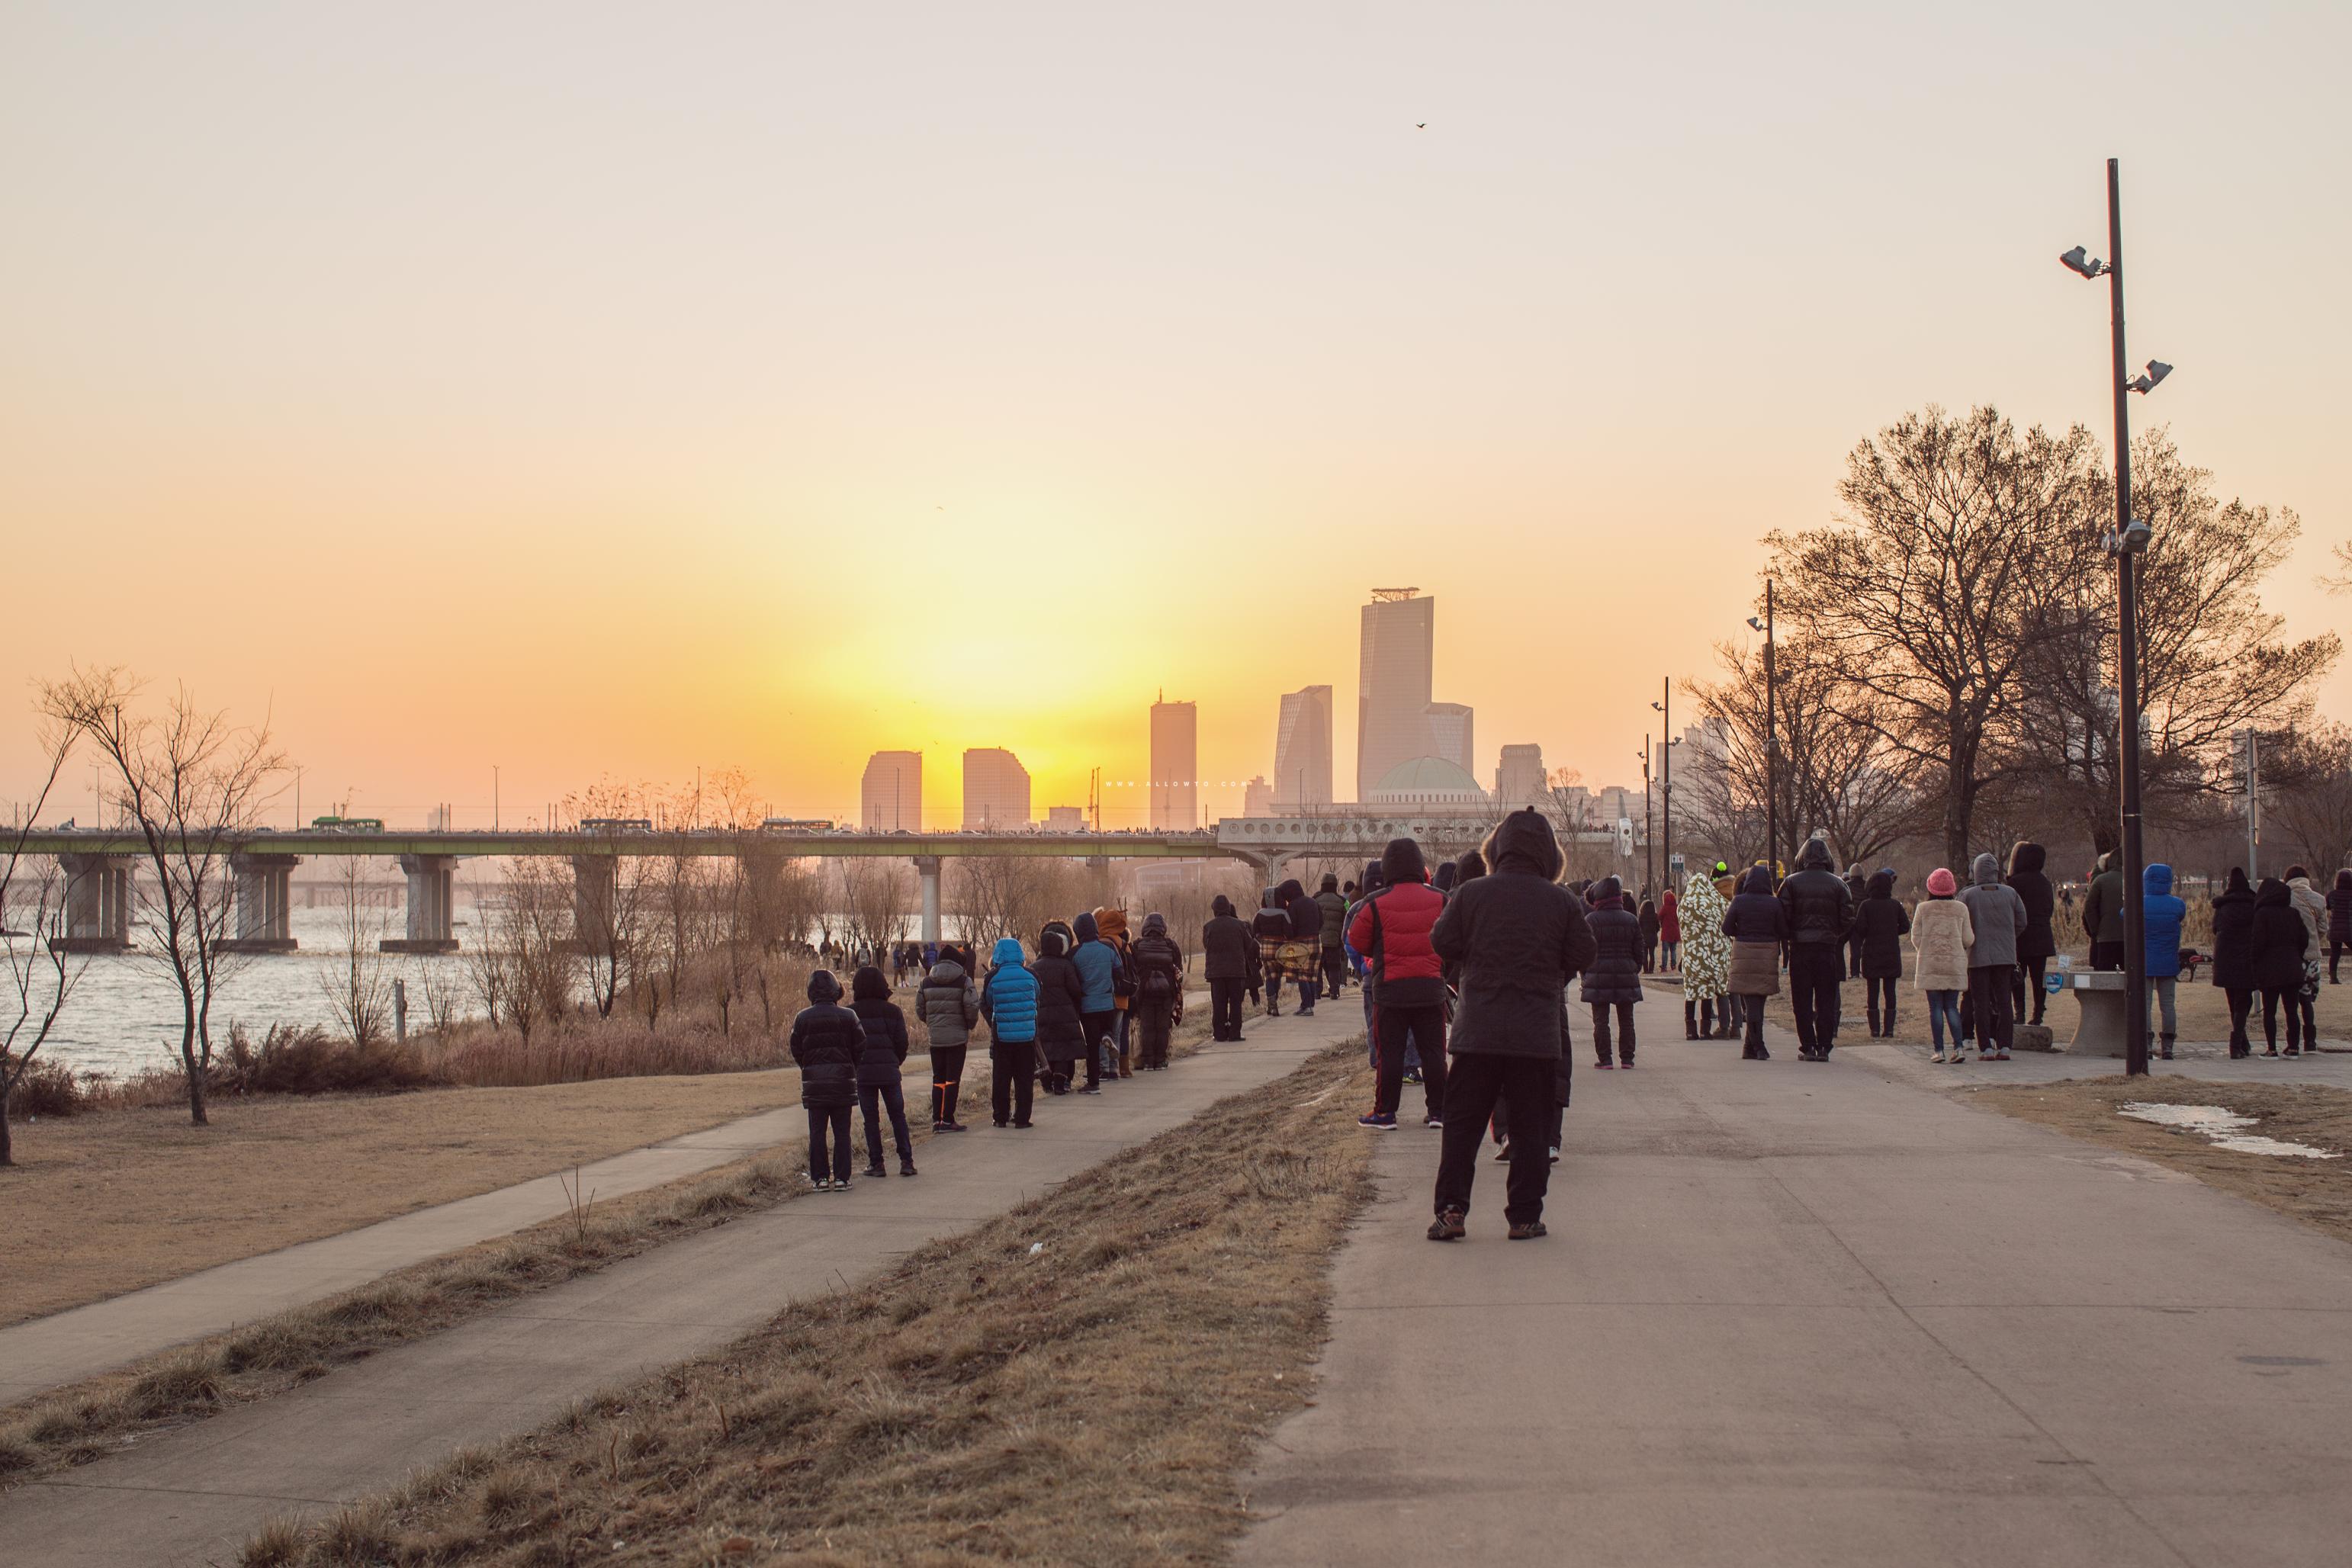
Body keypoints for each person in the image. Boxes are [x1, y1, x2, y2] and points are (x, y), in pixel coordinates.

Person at [1425, 808, 1595, 1242]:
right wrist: (1554, 969)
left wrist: (1472, 959)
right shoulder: (1562, 901)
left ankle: (1451, 1211)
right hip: (1536, 1032)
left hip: (1477, 1029)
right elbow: (1584, 952)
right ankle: (1523, 1216)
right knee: (1532, 1129)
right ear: (1549, 855)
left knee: (1462, 1128)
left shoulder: (1470, 895)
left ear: (1496, 849)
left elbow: (1442, 941)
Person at [1349, 837, 1450, 1129]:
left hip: (1390, 990)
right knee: (1434, 1053)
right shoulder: (1442, 899)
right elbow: (1455, 938)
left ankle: (1385, 1112)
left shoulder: (1374, 903)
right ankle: (1439, 1112)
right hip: (1431, 989)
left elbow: (1357, 941)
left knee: (1389, 1054)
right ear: (1420, 866)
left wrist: (1382, 949)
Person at [1778, 837, 1856, 1062]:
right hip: (1827, 949)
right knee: (1826, 999)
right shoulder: (1839, 885)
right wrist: (1834, 936)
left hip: (1800, 949)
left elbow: (1784, 917)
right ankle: (1824, 1045)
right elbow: (1848, 918)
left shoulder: (1791, 883)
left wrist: (1792, 935)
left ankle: (1808, 1045)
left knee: (1801, 1000)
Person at [789, 970, 863, 1190]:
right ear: (836, 991)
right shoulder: (848, 1016)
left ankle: (820, 1178)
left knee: (817, 1133)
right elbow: (860, 1045)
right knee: (842, 1132)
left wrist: (808, 1066)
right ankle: (842, 1177)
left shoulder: (802, 1018)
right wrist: (850, 1066)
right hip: (842, 1082)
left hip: (815, 1085)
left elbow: (796, 1049)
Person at [849, 966, 916, 1178]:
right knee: (898, 1116)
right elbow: (902, 1043)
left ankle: (876, 1163)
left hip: (864, 1074)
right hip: (889, 1071)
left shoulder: (851, 1012)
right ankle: (906, 1161)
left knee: (871, 1119)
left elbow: (849, 1046)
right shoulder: (893, 1011)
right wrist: (895, 1061)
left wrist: (856, 1066)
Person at [1958, 853, 2027, 1061]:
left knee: (1980, 1002)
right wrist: (2008, 937)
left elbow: (1961, 926)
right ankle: (2005, 1045)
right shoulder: (2010, 893)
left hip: (1978, 956)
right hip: (2005, 955)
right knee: (2005, 1001)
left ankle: (1985, 1046)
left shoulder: (1968, 896)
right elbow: (2022, 921)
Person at [1722, 865, 1786, 1060]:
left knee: (1751, 1003)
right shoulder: (1774, 903)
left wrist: (1741, 933)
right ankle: (1757, 1046)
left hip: (1744, 954)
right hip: (1767, 955)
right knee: (1758, 1003)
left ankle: (1753, 1047)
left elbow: (1726, 928)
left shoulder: (1739, 901)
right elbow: (1783, 930)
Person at [1910, 869, 1974, 1062]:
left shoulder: (1923, 909)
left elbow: (1916, 938)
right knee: (1952, 1007)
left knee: (1935, 1008)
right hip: (1954, 964)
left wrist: (1927, 948)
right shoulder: (1961, 909)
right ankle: (1959, 1048)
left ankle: (1939, 1051)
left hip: (1930, 965)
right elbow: (1968, 939)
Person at [1579, 876, 1642, 1067]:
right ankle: (1627, 1058)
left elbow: (1584, 950)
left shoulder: (1591, 920)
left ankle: (1605, 1059)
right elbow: (1639, 950)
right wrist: (1633, 969)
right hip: (1625, 973)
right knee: (1626, 1019)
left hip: (1598, 975)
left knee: (1600, 1021)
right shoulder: (1631, 920)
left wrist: (1585, 974)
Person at [978, 936, 1041, 1128]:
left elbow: (986, 1002)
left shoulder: (992, 977)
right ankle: (1022, 1118)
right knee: (1024, 1078)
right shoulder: (1031, 975)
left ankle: (1000, 1117)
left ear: (997, 955)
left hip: (1002, 1036)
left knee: (1001, 1078)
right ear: (1020, 954)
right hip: (1027, 1036)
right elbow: (1038, 996)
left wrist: (995, 1021)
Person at [916, 947, 979, 1132]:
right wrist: (969, 1025)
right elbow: (972, 1006)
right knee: (953, 1079)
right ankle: (948, 1119)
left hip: (935, 1037)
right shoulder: (964, 981)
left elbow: (920, 1009)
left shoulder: (926, 981)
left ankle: (937, 1120)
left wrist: (931, 1022)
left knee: (938, 1078)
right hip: (957, 1037)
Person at [2132, 863, 2186, 1060]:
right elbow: (2180, 916)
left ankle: (2146, 1044)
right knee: (2168, 1005)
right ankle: (2168, 1047)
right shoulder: (2177, 905)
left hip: (2144, 961)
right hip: (2168, 961)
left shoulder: (2138, 903)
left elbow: (2123, 914)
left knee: (2144, 1004)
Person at [2254, 876, 2312, 1056]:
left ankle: (2271, 1048)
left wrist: (2255, 963)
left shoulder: (2262, 914)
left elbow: (2257, 943)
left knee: (2270, 1011)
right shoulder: (2293, 913)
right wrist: (2297, 955)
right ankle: (2293, 1047)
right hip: (2292, 968)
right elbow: (2305, 938)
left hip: (2270, 969)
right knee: (2291, 1010)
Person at [1030, 921, 1088, 1094]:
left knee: (1047, 1048)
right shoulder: (1066, 966)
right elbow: (1076, 990)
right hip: (1064, 1013)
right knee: (1064, 1048)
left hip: (1042, 1014)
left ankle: (1047, 1083)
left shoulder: (1033, 968)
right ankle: (1060, 1082)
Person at [1854, 869, 1911, 1037]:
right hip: (1891, 952)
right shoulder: (1895, 905)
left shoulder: (1866, 906)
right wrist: (1893, 932)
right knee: (1890, 991)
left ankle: (1874, 1029)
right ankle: (1889, 1029)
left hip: (1871, 952)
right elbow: (1906, 927)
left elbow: (1860, 929)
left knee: (1873, 992)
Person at [1071, 910, 1124, 1091]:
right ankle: (1107, 1034)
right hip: (1108, 1003)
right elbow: (1120, 972)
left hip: (1087, 1006)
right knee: (1106, 1030)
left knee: (1092, 1046)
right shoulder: (1108, 948)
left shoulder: (1075, 954)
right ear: (1095, 928)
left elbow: (1073, 981)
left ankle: (1093, 1083)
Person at [2005, 842, 2057, 1027]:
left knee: (2018, 977)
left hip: (2020, 937)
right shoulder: (2045, 883)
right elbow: (2050, 909)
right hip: (2042, 936)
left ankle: (2019, 1014)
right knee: (2038, 978)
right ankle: (2038, 1014)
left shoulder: (2013, 883)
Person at [2210, 867, 2259, 1059]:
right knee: (2243, 1002)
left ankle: (2240, 1043)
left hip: (2226, 959)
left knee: (2234, 1003)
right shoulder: (2254, 906)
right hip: (2246, 959)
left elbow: (2215, 929)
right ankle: (2237, 1043)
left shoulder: (2222, 907)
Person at [1678, 869, 1731, 1039]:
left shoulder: (1684, 904)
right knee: (1706, 993)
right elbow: (1726, 914)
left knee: (1691, 993)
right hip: (1710, 958)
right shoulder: (1713, 903)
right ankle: (1705, 1030)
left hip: (1692, 958)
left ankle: (1690, 1030)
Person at [1129, 911, 1185, 1069]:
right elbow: (1178, 969)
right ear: (1163, 927)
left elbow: (1133, 969)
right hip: (1166, 993)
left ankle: (1147, 1061)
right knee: (1162, 1026)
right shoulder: (1171, 945)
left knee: (1147, 1027)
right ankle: (1160, 1060)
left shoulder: (1137, 945)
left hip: (1145, 993)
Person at [1201, 893, 1253, 1042]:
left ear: (1214, 909)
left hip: (1216, 972)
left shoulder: (1208, 927)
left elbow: (1206, 945)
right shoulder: (1240, 925)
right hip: (1236, 971)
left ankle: (1219, 1033)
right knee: (1236, 1003)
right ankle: (1235, 1033)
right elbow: (1248, 944)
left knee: (1219, 1003)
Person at [2285, 866, 2327, 1046]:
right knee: (2307, 998)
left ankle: (2292, 1042)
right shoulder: (2319, 900)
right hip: (2312, 956)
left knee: (2291, 1000)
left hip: (2292, 956)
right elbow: (2324, 929)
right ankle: (2310, 1040)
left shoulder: (2285, 899)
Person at [1094, 906, 1136, 1076]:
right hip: (1123, 996)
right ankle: (1115, 1068)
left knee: (1104, 1034)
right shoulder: (1124, 944)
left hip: (1106, 995)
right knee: (1117, 1034)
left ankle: (1104, 1067)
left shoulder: (1102, 943)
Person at [1280, 878, 1325, 1017]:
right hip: (1316, 942)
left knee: (1301, 975)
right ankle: (1311, 1005)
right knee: (1311, 975)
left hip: (1300, 943)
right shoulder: (1313, 902)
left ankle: (1305, 1006)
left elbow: (1290, 928)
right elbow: (1322, 922)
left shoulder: (1292, 906)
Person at [1253, 889, 1295, 1018]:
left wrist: (1262, 940)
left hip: (1266, 950)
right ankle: (1273, 1003)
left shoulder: (1259, 914)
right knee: (1277, 977)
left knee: (1270, 978)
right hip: (1281, 951)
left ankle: (1272, 1005)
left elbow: (1255, 932)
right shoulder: (1284, 914)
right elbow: (1289, 934)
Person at [2082, 852, 2126, 972]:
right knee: (2129, 977)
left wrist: (2096, 930)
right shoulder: (2134, 879)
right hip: (2129, 937)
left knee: (2104, 976)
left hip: (2106, 938)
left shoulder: (2100, 881)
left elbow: (2089, 906)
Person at [1315, 872, 1350, 1000]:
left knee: (1317, 967)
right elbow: (1347, 919)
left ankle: (1316, 992)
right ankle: (1334, 991)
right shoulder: (1343, 901)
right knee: (1334, 966)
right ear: (1335, 886)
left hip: (1318, 940)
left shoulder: (1315, 900)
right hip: (1335, 940)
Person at [1843, 869, 1869, 979]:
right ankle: (1865, 970)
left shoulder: (1846, 886)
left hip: (1851, 920)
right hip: (1864, 921)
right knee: (1864, 947)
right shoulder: (1867, 885)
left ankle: (1854, 972)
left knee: (1854, 949)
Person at [2330, 869, 2352, 985]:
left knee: (2335, 953)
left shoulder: (2332, 894)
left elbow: (2328, 906)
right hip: (2349, 928)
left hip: (2334, 929)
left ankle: (2333, 977)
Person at [1658, 886, 1682, 972]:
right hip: (1675, 932)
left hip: (1666, 933)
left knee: (1665, 951)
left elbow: (1659, 916)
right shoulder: (1676, 907)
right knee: (1674, 950)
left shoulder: (1665, 908)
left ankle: (1664, 966)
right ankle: (1673, 965)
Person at [1637, 894, 1661, 975]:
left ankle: (1646, 970)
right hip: (1653, 937)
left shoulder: (1642, 917)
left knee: (1645, 954)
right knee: (1652, 954)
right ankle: (1651, 970)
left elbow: (1639, 927)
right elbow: (1658, 927)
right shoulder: (1655, 916)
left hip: (1644, 937)